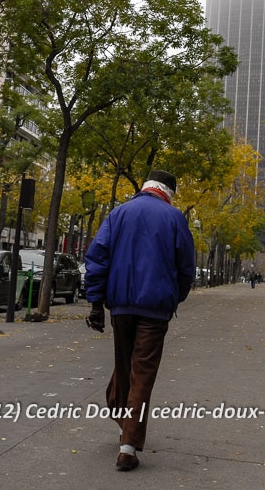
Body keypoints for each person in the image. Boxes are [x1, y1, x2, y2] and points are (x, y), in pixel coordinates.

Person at [84, 169, 195, 471]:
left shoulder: (119, 213)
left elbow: (97, 258)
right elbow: (186, 267)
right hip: (155, 310)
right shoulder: (175, 219)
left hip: (120, 306)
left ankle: (123, 421)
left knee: (124, 366)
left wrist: (96, 303)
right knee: (142, 373)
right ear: (169, 192)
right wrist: (175, 296)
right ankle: (128, 447)